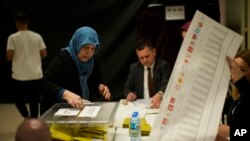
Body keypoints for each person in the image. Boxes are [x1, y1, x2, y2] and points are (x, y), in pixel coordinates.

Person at [40, 26, 111, 114]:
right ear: (77, 43)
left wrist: (100, 88)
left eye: (93, 48)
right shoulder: (63, 58)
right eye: (85, 47)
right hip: (58, 111)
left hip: (82, 110)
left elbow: (95, 81)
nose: (89, 53)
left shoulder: (93, 60)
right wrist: (66, 94)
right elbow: (44, 83)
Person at [6, 12, 47, 118]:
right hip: (35, 74)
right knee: (34, 100)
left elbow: (9, 55)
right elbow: (44, 53)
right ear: (27, 22)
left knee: (17, 98)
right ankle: (33, 121)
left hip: (19, 75)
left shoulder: (13, 37)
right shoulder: (37, 36)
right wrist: (33, 58)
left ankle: (25, 116)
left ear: (16, 23)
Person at [124, 39, 172, 108]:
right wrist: (129, 94)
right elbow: (127, 88)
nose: (145, 60)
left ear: (154, 52)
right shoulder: (134, 68)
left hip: (159, 105)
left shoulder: (163, 66)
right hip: (141, 105)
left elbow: (166, 84)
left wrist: (160, 94)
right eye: (141, 58)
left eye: (147, 56)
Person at [216, 49, 250, 141]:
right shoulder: (238, 99)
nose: (235, 74)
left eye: (242, 69)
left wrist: (231, 132)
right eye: (233, 69)